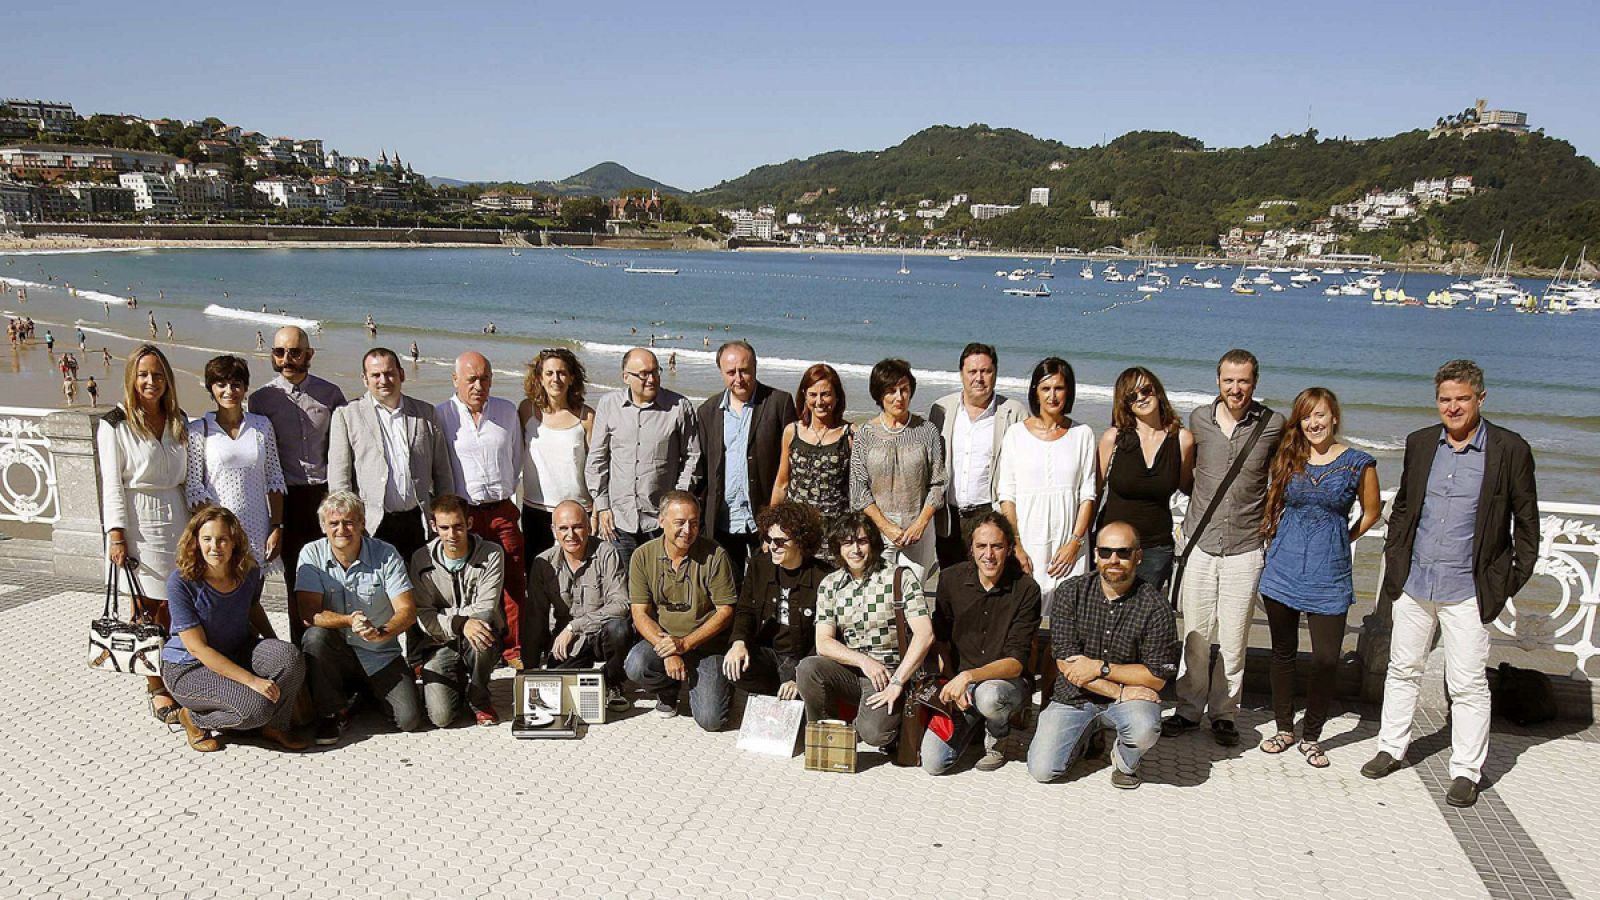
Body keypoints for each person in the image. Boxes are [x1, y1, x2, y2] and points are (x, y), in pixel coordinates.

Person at [1363, 360, 1539, 808]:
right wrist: (1396, 560)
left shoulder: (1510, 449)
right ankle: (1391, 748)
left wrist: (1505, 584)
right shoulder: (1421, 443)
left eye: (1462, 399)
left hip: (1468, 589)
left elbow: (1527, 527)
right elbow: (1405, 506)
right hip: (1416, 582)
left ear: (1481, 399)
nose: (1453, 407)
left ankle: (1466, 771)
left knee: (1467, 684)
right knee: (1402, 669)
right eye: (1445, 399)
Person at [1165, 349, 1285, 748]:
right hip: (1200, 543)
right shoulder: (1199, 419)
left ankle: (1224, 713)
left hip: (1246, 546)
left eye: (1243, 380)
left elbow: (1284, 474)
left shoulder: (1273, 424)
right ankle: (1188, 709)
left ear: (1255, 382)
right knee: (1195, 635)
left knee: (1234, 639)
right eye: (1229, 380)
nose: (1236, 388)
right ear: (1218, 381)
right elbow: (1186, 475)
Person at [1256, 388, 1380, 768]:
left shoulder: (1358, 463)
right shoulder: (1289, 456)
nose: (1313, 423)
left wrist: (1344, 537)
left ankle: (1311, 735)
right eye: (1306, 416)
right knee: (1283, 652)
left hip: (1329, 573)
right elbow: (1272, 501)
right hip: (1283, 568)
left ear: (1334, 417)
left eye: (1320, 415)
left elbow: (1372, 512)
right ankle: (1283, 728)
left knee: (1327, 659)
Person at [1027, 521, 1179, 788]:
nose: (1114, 560)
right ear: (1096, 554)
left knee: (1144, 728)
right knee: (1043, 770)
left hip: (1130, 699)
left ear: (1138, 556)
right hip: (1076, 696)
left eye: (1123, 552)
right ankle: (1085, 736)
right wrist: (1119, 691)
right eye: (1106, 552)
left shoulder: (1156, 607)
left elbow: (1156, 677)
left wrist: (1101, 667)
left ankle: (1125, 762)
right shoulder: (1070, 592)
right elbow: (1067, 664)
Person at [161, 506, 307, 753]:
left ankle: (275, 726)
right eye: (207, 539)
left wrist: (278, 649)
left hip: (236, 650)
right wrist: (252, 681)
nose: (215, 547)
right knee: (256, 708)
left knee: (289, 657)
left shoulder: (248, 571)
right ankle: (193, 718)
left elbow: (253, 607)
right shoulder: (181, 582)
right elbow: (198, 648)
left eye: (222, 539)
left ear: (234, 542)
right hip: (189, 667)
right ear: (196, 542)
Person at [97, 344, 189, 726]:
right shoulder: (115, 423)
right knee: (146, 608)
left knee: (176, 604)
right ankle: (156, 686)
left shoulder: (178, 419)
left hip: (178, 517)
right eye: (144, 374)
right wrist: (116, 535)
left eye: (158, 374)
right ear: (132, 378)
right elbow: (112, 484)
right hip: (140, 521)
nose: (151, 381)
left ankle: (180, 676)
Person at [295, 490, 422, 745]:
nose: (342, 529)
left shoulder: (386, 554)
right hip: (336, 653)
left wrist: (382, 632)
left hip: (379, 653)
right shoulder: (311, 554)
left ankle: (362, 695)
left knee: (409, 720)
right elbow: (309, 614)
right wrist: (348, 621)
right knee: (314, 637)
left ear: (362, 523)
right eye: (334, 523)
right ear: (323, 526)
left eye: (349, 522)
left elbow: (407, 611)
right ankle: (330, 713)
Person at [798, 512, 934, 750]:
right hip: (853, 670)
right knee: (808, 668)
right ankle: (828, 737)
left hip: (892, 673)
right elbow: (823, 643)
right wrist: (863, 661)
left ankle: (886, 725)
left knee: (873, 734)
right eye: (847, 543)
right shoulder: (830, 584)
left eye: (862, 541)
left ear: (873, 544)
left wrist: (898, 681)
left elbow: (925, 635)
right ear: (838, 548)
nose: (855, 550)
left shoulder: (899, 577)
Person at [922, 512, 1041, 774]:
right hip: (962, 685)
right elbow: (941, 640)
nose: (989, 555)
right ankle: (976, 723)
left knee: (989, 696)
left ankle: (999, 734)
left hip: (1005, 683)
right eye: (981, 546)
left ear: (1009, 548)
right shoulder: (950, 580)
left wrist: (968, 676)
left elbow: (1016, 663)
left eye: (997, 546)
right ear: (971, 549)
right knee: (933, 763)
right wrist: (952, 681)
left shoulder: (1026, 589)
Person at [248, 325, 347, 638]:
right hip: (286, 499)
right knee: (297, 577)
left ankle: (338, 647)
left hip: (325, 495)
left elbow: (344, 448)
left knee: (335, 572)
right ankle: (301, 649)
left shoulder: (331, 395)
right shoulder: (261, 400)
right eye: (279, 352)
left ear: (309, 354)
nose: (286, 359)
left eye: (294, 352)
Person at [436, 350, 528, 667]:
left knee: (513, 580)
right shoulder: (441, 415)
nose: (479, 385)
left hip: (502, 510)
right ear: (455, 379)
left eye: (485, 378)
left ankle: (514, 649)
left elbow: (516, 458)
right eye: (471, 379)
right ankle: (475, 647)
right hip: (464, 514)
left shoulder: (506, 411)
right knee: (468, 582)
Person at [329, 347, 453, 567]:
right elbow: (340, 479)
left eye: (389, 373)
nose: (383, 380)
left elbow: (442, 471)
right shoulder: (347, 415)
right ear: (365, 379)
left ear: (401, 374)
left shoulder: (425, 413)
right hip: (373, 524)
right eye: (376, 375)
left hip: (419, 521)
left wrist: (446, 517)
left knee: (420, 584)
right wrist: (347, 525)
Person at [622, 491, 736, 730]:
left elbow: (725, 611)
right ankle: (668, 688)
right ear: (661, 521)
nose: (687, 530)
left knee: (711, 720)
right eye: (680, 523)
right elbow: (640, 613)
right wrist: (669, 651)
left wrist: (685, 644)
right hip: (664, 639)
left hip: (706, 644)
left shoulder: (715, 555)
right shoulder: (643, 556)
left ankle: (720, 685)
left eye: (694, 523)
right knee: (636, 664)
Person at [586, 348, 702, 569]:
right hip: (618, 521)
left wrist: (676, 504)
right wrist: (602, 506)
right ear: (626, 377)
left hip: (661, 522)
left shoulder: (679, 407)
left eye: (655, 372)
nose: (651, 379)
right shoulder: (609, 405)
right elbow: (597, 460)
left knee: (662, 582)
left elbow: (692, 458)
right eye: (643, 374)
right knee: (619, 583)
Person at [696, 340, 797, 585]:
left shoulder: (779, 402)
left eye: (744, 370)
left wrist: (781, 516)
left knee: (770, 584)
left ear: (755, 367)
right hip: (723, 520)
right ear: (721, 372)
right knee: (728, 588)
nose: (738, 378)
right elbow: (703, 469)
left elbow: (792, 463)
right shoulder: (707, 411)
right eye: (731, 372)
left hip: (765, 517)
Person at [996, 357, 1097, 596]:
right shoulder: (1016, 434)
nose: (1052, 396)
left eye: (1059, 388)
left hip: (1069, 546)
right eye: (1045, 388)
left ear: (1068, 391)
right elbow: (1007, 495)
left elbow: (1088, 495)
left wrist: (1075, 544)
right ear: (1036, 391)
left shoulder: (1083, 434)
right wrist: (1016, 545)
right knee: (1025, 609)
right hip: (1027, 542)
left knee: (1068, 609)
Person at [185, 355, 288, 579]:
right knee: (221, 593)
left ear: (245, 387)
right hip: (218, 536)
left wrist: (277, 527)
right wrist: (221, 527)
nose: (229, 391)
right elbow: (193, 488)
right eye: (221, 384)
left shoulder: (261, 426)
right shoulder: (198, 430)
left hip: (257, 529)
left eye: (236, 384)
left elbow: (275, 479)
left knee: (252, 592)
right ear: (211, 388)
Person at [928, 343, 1029, 569]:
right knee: (951, 580)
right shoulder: (941, 409)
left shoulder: (1014, 412)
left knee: (991, 581)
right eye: (972, 371)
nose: (979, 378)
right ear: (961, 374)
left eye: (986, 371)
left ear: (996, 373)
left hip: (990, 514)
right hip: (949, 518)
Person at [408, 493, 505, 728]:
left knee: (482, 633)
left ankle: (479, 698)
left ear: (469, 523)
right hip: (439, 641)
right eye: (444, 528)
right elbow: (423, 613)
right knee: (441, 718)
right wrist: (460, 623)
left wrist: (456, 620)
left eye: (458, 526)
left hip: (479, 635)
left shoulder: (492, 553)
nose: (452, 535)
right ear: (434, 527)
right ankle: (455, 681)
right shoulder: (421, 559)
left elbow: (486, 607)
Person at [528, 500, 634, 711]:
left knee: (619, 628)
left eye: (577, 527)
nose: (571, 535)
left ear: (588, 527)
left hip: (600, 635)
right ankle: (588, 674)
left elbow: (621, 604)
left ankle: (613, 682)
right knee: (558, 696)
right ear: (553, 530)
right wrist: (529, 671)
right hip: (567, 644)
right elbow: (535, 617)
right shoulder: (543, 563)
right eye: (563, 528)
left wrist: (574, 626)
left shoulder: (607, 553)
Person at [850, 358, 947, 588]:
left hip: (918, 531)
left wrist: (920, 524)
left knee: (912, 595)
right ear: (879, 395)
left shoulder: (927, 431)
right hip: (877, 531)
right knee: (877, 594)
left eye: (904, 389)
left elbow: (938, 483)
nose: (899, 397)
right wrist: (886, 527)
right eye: (891, 391)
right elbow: (858, 489)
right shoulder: (865, 434)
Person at [1097, 367, 1195, 589]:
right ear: (1124, 403)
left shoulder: (1183, 440)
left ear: (1157, 391)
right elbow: (1095, 492)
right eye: (1132, 396)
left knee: (1146, 608)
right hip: (1111, 547)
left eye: (1146, 390)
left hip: (1155, 549)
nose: (1141, 398)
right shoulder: (1114, 438)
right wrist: (1081, 540)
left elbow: (1188, 487)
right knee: (1107, 607)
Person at [723, 501, 832, 700]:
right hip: (770, 653)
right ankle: (775, 694)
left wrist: (799, 678)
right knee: (735, 664)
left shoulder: (823, 577)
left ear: (800, 541)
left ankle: (794, 693)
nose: (773, 546)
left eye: (780, 541)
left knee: (808, 678)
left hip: (803, 657)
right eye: (768, 539)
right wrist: (738, 642)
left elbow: (828, 635)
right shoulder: (759, 566)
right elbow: (745, 610)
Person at [518, 347, 595, 560]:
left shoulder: (587, 417)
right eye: (549, 373)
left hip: (577, 511)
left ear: (572, 378)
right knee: (536, 571)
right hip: (536, 508)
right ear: (539, 378)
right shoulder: (526, 410)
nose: (556, 379)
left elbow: (597, 466)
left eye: (562, 373)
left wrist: (598, 508)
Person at [771, 363, 852, 542]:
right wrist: (771, 529)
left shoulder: (850, 434)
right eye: (813, 395)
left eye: (826, 394)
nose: (819, 402)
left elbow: (858, 488)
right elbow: (782, 484)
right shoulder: (792, 432)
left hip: (835, 533)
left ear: (837, 396)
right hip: (795, 531)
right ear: (804, 396)